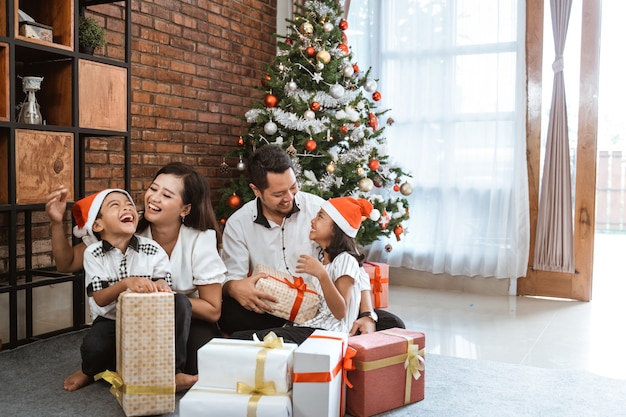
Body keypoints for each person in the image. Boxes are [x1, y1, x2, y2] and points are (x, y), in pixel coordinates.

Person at [46, 163, 226, 392]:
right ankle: (109, 367)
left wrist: (163, 298)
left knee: (199, 363)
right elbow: (67, 263)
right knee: (100, 345)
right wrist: (55, 222)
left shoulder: (200, 240)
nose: (154, 198)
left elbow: (212, 309)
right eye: (153, 189)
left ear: (185, 209)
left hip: (180, 318)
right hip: (128, 319)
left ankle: (163, 370)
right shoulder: (126, 227)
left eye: (167, 195)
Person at [219, 144, 405, 336]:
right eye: (278, 194)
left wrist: (367, 314)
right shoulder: (238, 223)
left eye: (293, 188)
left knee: (392, 325)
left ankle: (283, 339)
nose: (289, 197)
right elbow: (231, 278)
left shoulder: (319, 209)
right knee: (229, 315)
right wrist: (233, 287)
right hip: (273, 309)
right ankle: (299, 336)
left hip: (326, 306)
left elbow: (355, 267)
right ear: (256, 190)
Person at [231, 196, 376, 344]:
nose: (312, 221)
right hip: (313, 326)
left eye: (320, 217)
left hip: (329, 332)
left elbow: (340, 312)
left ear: (337, 228)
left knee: (254, 340)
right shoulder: (322, 258)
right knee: (241, 336)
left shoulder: (345, 260)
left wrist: (321, 275)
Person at [70, 189, 174, 394]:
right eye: (115, 205)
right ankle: (89, 370)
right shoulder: (94, 254)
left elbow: (164, 280)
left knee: (177, 316)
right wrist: (126, 283)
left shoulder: (152, 249)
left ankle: (167, 371)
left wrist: (162, 285)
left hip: (147, 320)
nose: (126, 207)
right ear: (98, 225)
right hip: (110, 320)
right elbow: (99, 298)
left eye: (128, 204)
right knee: (95, 347)